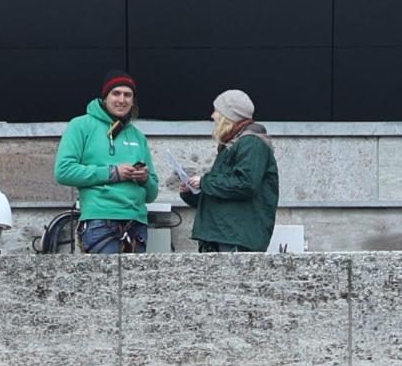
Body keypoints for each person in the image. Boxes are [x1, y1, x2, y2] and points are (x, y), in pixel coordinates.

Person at [53, 73, 160, 253]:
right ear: (104, 97)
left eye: (128, 95)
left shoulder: (138, 136)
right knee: (104, 281)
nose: (122, 99)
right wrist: (113, 173)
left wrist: (144, 178)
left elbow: (152, 194)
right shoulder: (80, 125)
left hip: (137, 223)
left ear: (133, 101)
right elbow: (63, 171)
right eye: (116, 93)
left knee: (136, 282)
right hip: (100, 220)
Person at [182, 91, 279, 251]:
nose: (213, 115)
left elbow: (246, 184)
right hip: (224, 235)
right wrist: (192, 192)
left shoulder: (251, 143)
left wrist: (204, 182)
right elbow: (223, 196)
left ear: (229, 117)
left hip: (235, 238)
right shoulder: (234, 144)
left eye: (217, 111)